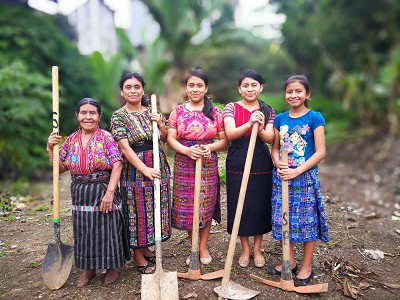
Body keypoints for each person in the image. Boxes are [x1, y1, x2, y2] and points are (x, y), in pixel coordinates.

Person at [46, 98, 130, 287]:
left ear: (99, 116)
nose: (88, 116)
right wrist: (50, 148)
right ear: (77, 115)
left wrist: (110, 193)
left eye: (92, 113)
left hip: (102, 188)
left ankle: (111, 267)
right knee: (84, 230)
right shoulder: (70, 140)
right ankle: (89, 268)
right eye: (83, 112)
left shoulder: (106, 137)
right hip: (80, 192)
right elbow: (58, 168)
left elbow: (117, 164)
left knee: (107, 229)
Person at [267, 75, 329, 286]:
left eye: (298, 91)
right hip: (282, 177)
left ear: (307, 94)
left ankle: (306, 266)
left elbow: (320, 152)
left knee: (306, 222)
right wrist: (278, 163)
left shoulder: (314, 118)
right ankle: (290, 260)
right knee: (285, 219)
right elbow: (275, 148)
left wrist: (297, 171)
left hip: (304, 178)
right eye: (289, 92)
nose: (293, 95)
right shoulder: (280, 119)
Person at [110, 72, 171, 274]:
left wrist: (160, 123)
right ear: (122, 91)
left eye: (137, 87)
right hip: (135, 168)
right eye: (128, 87)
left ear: (142, 89)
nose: (133, 91)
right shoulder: (118, 116)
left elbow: (165, 138)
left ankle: (146, 248)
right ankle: (138, 256)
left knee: (155, 207)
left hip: (157, 163)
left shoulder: (152, 111)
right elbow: (125, 148)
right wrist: (144, 169)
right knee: (137, 211)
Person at [167, 69, 228, 265]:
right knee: (187, 205)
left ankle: (203, 247)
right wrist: (186, 151)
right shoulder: (178, 111)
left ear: (206, 88)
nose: (195, 89)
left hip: (207, 160)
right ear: (186, 88)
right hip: (184, 162)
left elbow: (224, 140)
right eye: (191, 85)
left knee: (205, 204)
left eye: (199, 85)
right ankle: (193, 246)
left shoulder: (215, 112)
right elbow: (170, 139)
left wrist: (207, 148)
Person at [223, 69, 275, 268]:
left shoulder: (268, 110)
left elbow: (270, 138)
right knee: (239, 203)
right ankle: (245, 248)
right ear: (239, 88)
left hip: (260, 159)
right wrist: (249, 123)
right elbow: (230, 134)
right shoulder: (231, 108)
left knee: (259, 203)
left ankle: (257, 248)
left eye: (254, 85)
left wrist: (260, 128)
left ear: (261, 88)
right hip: (238, 158)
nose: (250, 89)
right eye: (245, 85)